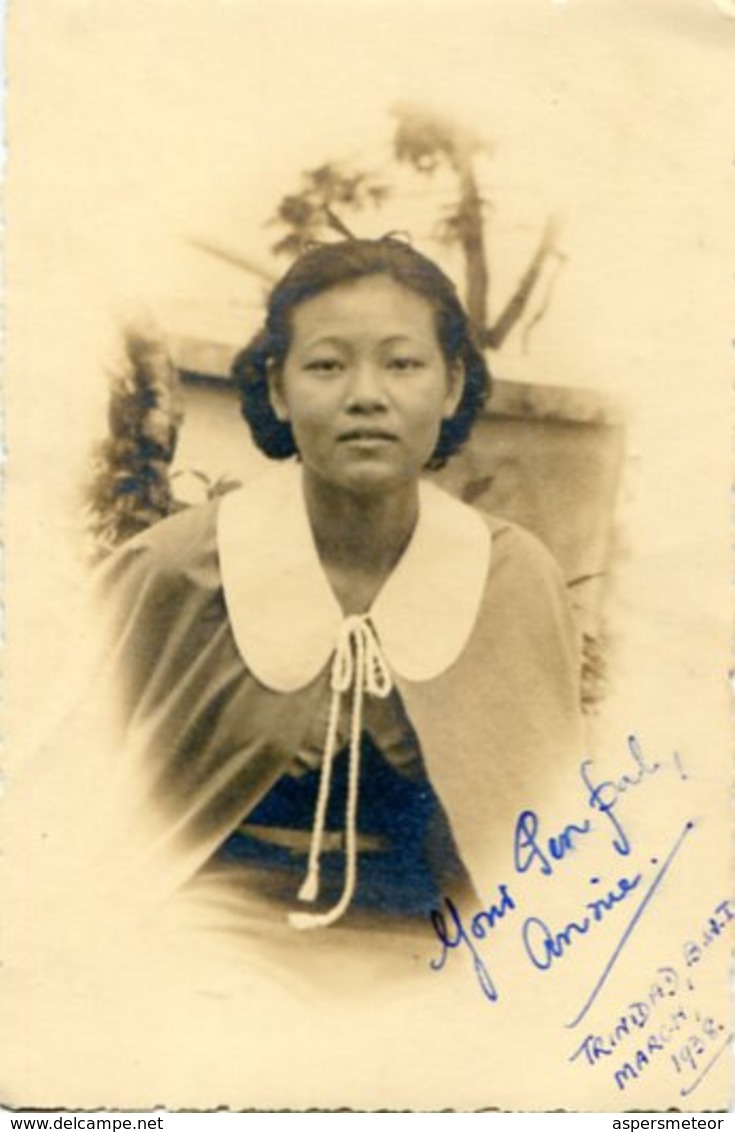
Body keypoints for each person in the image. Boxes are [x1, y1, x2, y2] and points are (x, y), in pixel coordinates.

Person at [40, 237, 585, 970]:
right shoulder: (174, 569)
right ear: (276, 387)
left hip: (441, 952)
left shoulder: (512, 577)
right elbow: (68, 810)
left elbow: (551, 849)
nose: (366, 394)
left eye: (403, 363)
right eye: (326, 364)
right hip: (197, 945)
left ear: (451, 385)